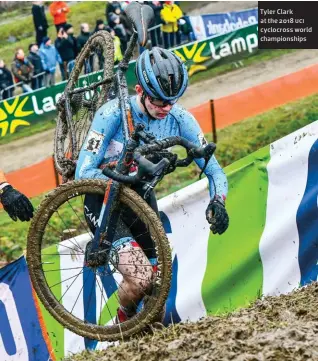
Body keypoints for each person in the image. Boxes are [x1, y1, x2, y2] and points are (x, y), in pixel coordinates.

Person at [75, 47, 229, 323]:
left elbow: (214, 171)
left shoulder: (179, 118)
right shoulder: (111, 115)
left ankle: (146, 339)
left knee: (158, 288)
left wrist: (218, 202)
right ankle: (124, 326)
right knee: (140, 279)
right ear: (139, 90)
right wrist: (125, 180)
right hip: (105, 200)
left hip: (141, 200)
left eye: (172, 101)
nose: (166, 108)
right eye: (159, 101)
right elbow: (83, 173)